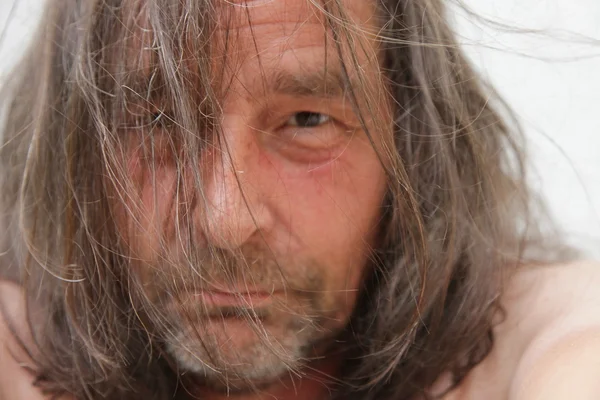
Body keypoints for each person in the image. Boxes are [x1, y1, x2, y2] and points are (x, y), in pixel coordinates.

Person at [0, 0, 598, 399]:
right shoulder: (18, 346)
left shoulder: (531, 339)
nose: (226, 220)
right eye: (156, 120)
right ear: (67, 152)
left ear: (415, 142)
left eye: (307, 120)